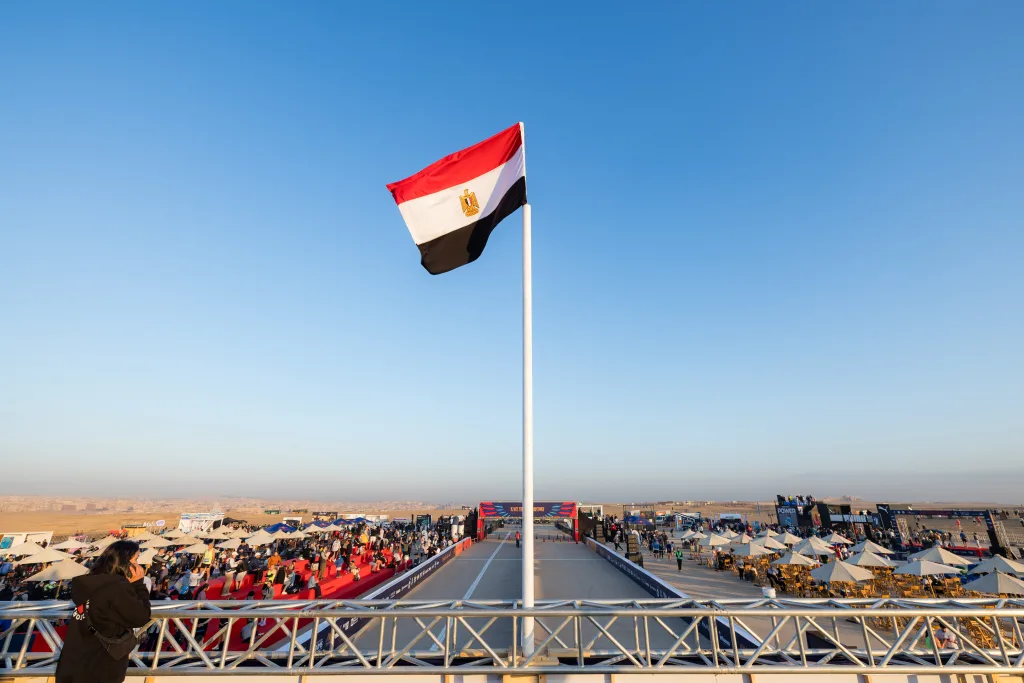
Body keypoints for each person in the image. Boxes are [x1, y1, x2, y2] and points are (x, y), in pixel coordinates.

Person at [55, 540, 151, 683]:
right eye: (136, 560)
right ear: (123, 562)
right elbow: (141, 616)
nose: (138, 566)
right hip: (100, 668)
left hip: (73, 665)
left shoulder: (90, 584)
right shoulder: (116, 589)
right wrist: (138, 585)